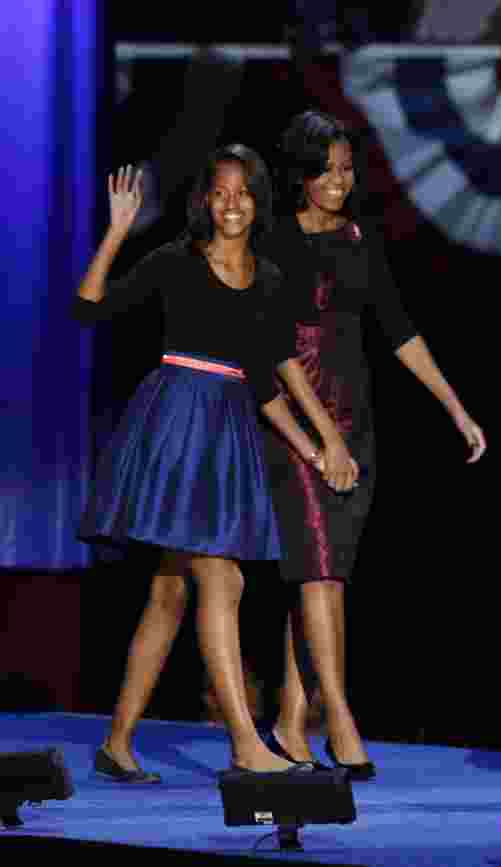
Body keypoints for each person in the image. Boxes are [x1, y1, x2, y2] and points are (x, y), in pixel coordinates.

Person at [78, 146, 353, 779]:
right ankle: (245, 745)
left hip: (228, 428)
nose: (231, 203)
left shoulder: (270, 278)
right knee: (221, 580)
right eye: (220, 192)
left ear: (258, 202)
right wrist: (118, 230)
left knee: (172, 591)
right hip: (176, 422)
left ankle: (117, 744)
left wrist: (317, 448)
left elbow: (265, 381)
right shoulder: (177, 261)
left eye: (243, 193)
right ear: (205, 200)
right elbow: (89, 308)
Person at [255, 110, 487, 779]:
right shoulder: (277, 243)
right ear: (300, 174)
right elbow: (275, 350)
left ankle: (289, 721)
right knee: (319, 571)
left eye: (346, 168)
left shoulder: (360, 238)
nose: (337, 180)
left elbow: (398, 327)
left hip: (357, 421)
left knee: (319, 576)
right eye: (325, 169)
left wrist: (455, 408)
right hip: (297, 421)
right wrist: (323, 439)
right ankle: (341, 718)